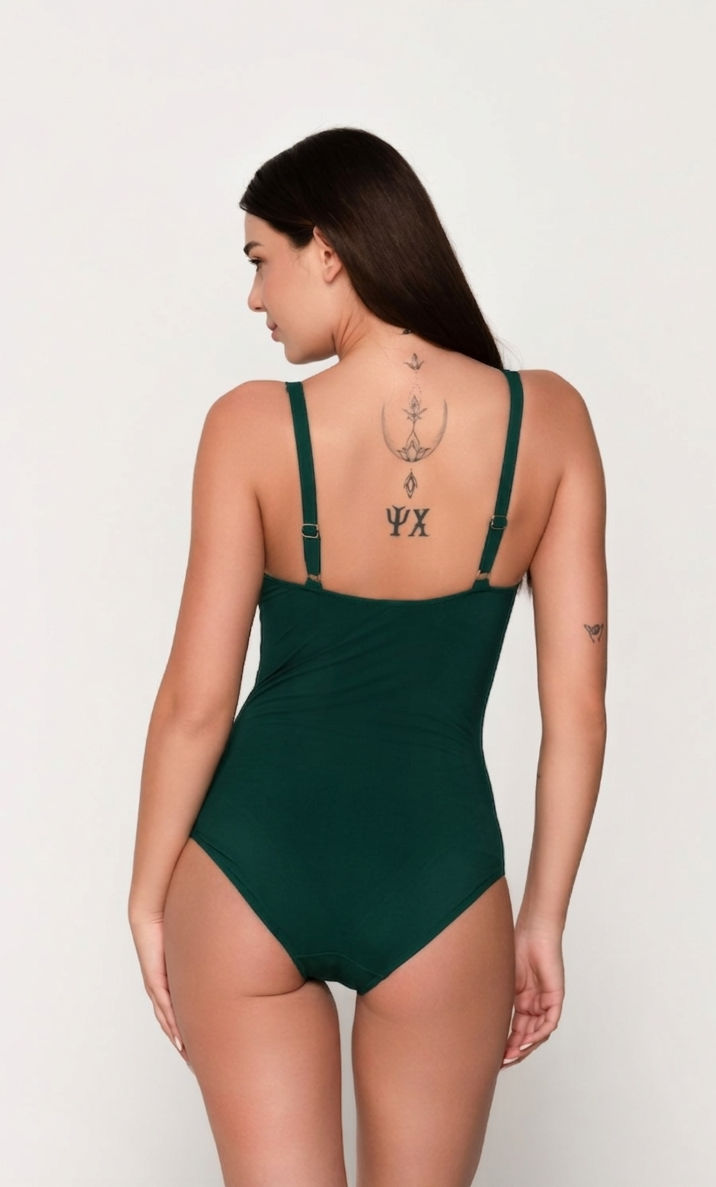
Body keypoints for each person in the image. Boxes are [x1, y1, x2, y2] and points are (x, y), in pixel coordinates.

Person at [128, 127, 608, 1187]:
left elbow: (196, 704)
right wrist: (542, 917)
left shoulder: (250, 427)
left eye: (261, 259)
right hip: (441, 880)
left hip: (247, 867)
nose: (255, 298)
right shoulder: (551, 422)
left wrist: (148, 894)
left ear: (328, 249)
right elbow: (577, 713)